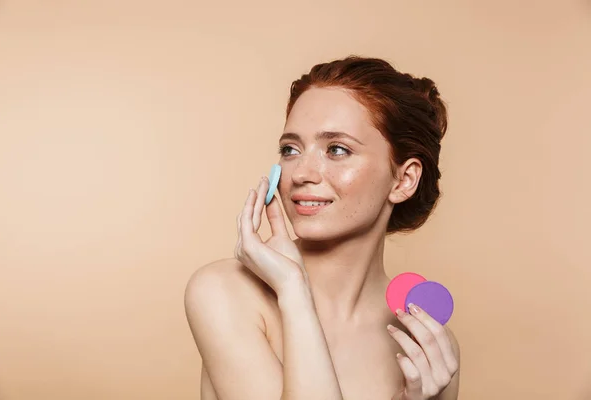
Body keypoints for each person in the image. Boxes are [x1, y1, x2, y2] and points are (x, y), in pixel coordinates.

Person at [185, 55, 460, 400]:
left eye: (337, 149)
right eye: (290, 149)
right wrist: (294, 291)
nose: (301, 173)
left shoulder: (426, 340)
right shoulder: (226, 292)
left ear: (404, 179)